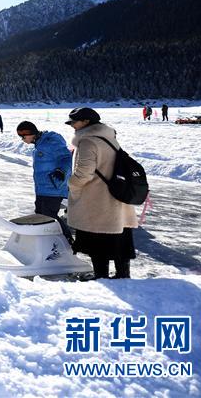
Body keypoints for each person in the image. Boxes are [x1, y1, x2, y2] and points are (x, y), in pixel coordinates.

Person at [65, 107, 137, 279]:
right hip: (116, 195)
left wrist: (72, 184)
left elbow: (84, 173)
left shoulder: (88, 141)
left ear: (86, 122)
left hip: (97, 200)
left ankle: (101, 277)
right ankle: (123, 275)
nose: (72, 125)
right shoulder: (109, 138)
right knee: (119, 238)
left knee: (97, 242)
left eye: (74, 122)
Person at [16, 121, 74, 242]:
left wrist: (61, 171)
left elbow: (66, 157)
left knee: (49, 216)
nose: (22, 139)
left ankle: (68, 241)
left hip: (54, 188)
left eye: (23, 136)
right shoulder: (39, 145)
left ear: (31, 133)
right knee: (40, 216)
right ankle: (47, 243)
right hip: (42, 189)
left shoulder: (50, 141)